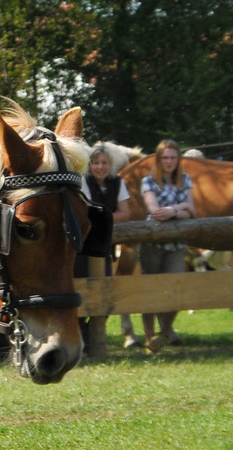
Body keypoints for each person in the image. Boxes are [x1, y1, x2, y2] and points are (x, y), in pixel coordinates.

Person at [137, 139, 195, 352]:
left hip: (177, 244)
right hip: (153, 242)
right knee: (150, 288)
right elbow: (155, 211)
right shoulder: (149, 181)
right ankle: (149, 335)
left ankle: (166, 331)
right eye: (165, 158)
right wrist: (181, 208)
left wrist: (175, 211)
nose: (169, 161)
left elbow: (193, 212)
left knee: (175, 288)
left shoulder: (185, 180)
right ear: (159, 160)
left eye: (173, 157)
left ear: (178, 160)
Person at [78, 146, 130, 357]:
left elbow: (126, 212)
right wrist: (108, 217)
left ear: (111, 165)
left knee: (104, 293)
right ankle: (81, 341)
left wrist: (103, 218)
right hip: (82, 249)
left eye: (104, 163)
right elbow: (87, 212)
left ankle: (91, 341)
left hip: (103, 247)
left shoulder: (118, 183)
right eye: (96, 163)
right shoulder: (83, 182)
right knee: (82, 294)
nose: (100, 167)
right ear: (90, 166)